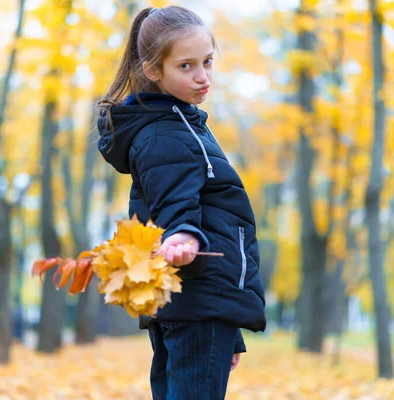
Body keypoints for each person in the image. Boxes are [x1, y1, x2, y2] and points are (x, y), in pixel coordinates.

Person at [96, 6, 266, 400]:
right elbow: (175, 200)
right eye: (186, 66)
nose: (203, 76)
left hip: (198, 302)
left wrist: (231, 331)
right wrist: (184, 235)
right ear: (154, 70)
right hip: (193, 302)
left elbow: (212, 214)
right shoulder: (165, 135)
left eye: (207, 62)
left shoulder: (179, 124)